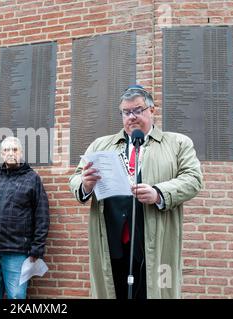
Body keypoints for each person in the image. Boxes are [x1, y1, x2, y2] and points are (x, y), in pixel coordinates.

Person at [69, 85, 202, 299]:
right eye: (126, 112)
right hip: (111, 239)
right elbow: (76, 178)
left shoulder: (177, 143)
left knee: (154, 289)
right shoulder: (100, 145)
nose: (132, 117)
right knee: (114, 291)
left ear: (152, 110)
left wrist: (158, 193)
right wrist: (85, 184)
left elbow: (193, 179)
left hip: (154, 238)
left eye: (138, 110)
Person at [0, 136, 49, 299]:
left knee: (17, 297)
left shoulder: (32, 179)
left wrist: (37, 247)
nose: (10, 153)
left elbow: (41, 215)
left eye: (15, 149)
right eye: (6, 150)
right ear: (1, 154)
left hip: (17, 251)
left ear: (21, 153)